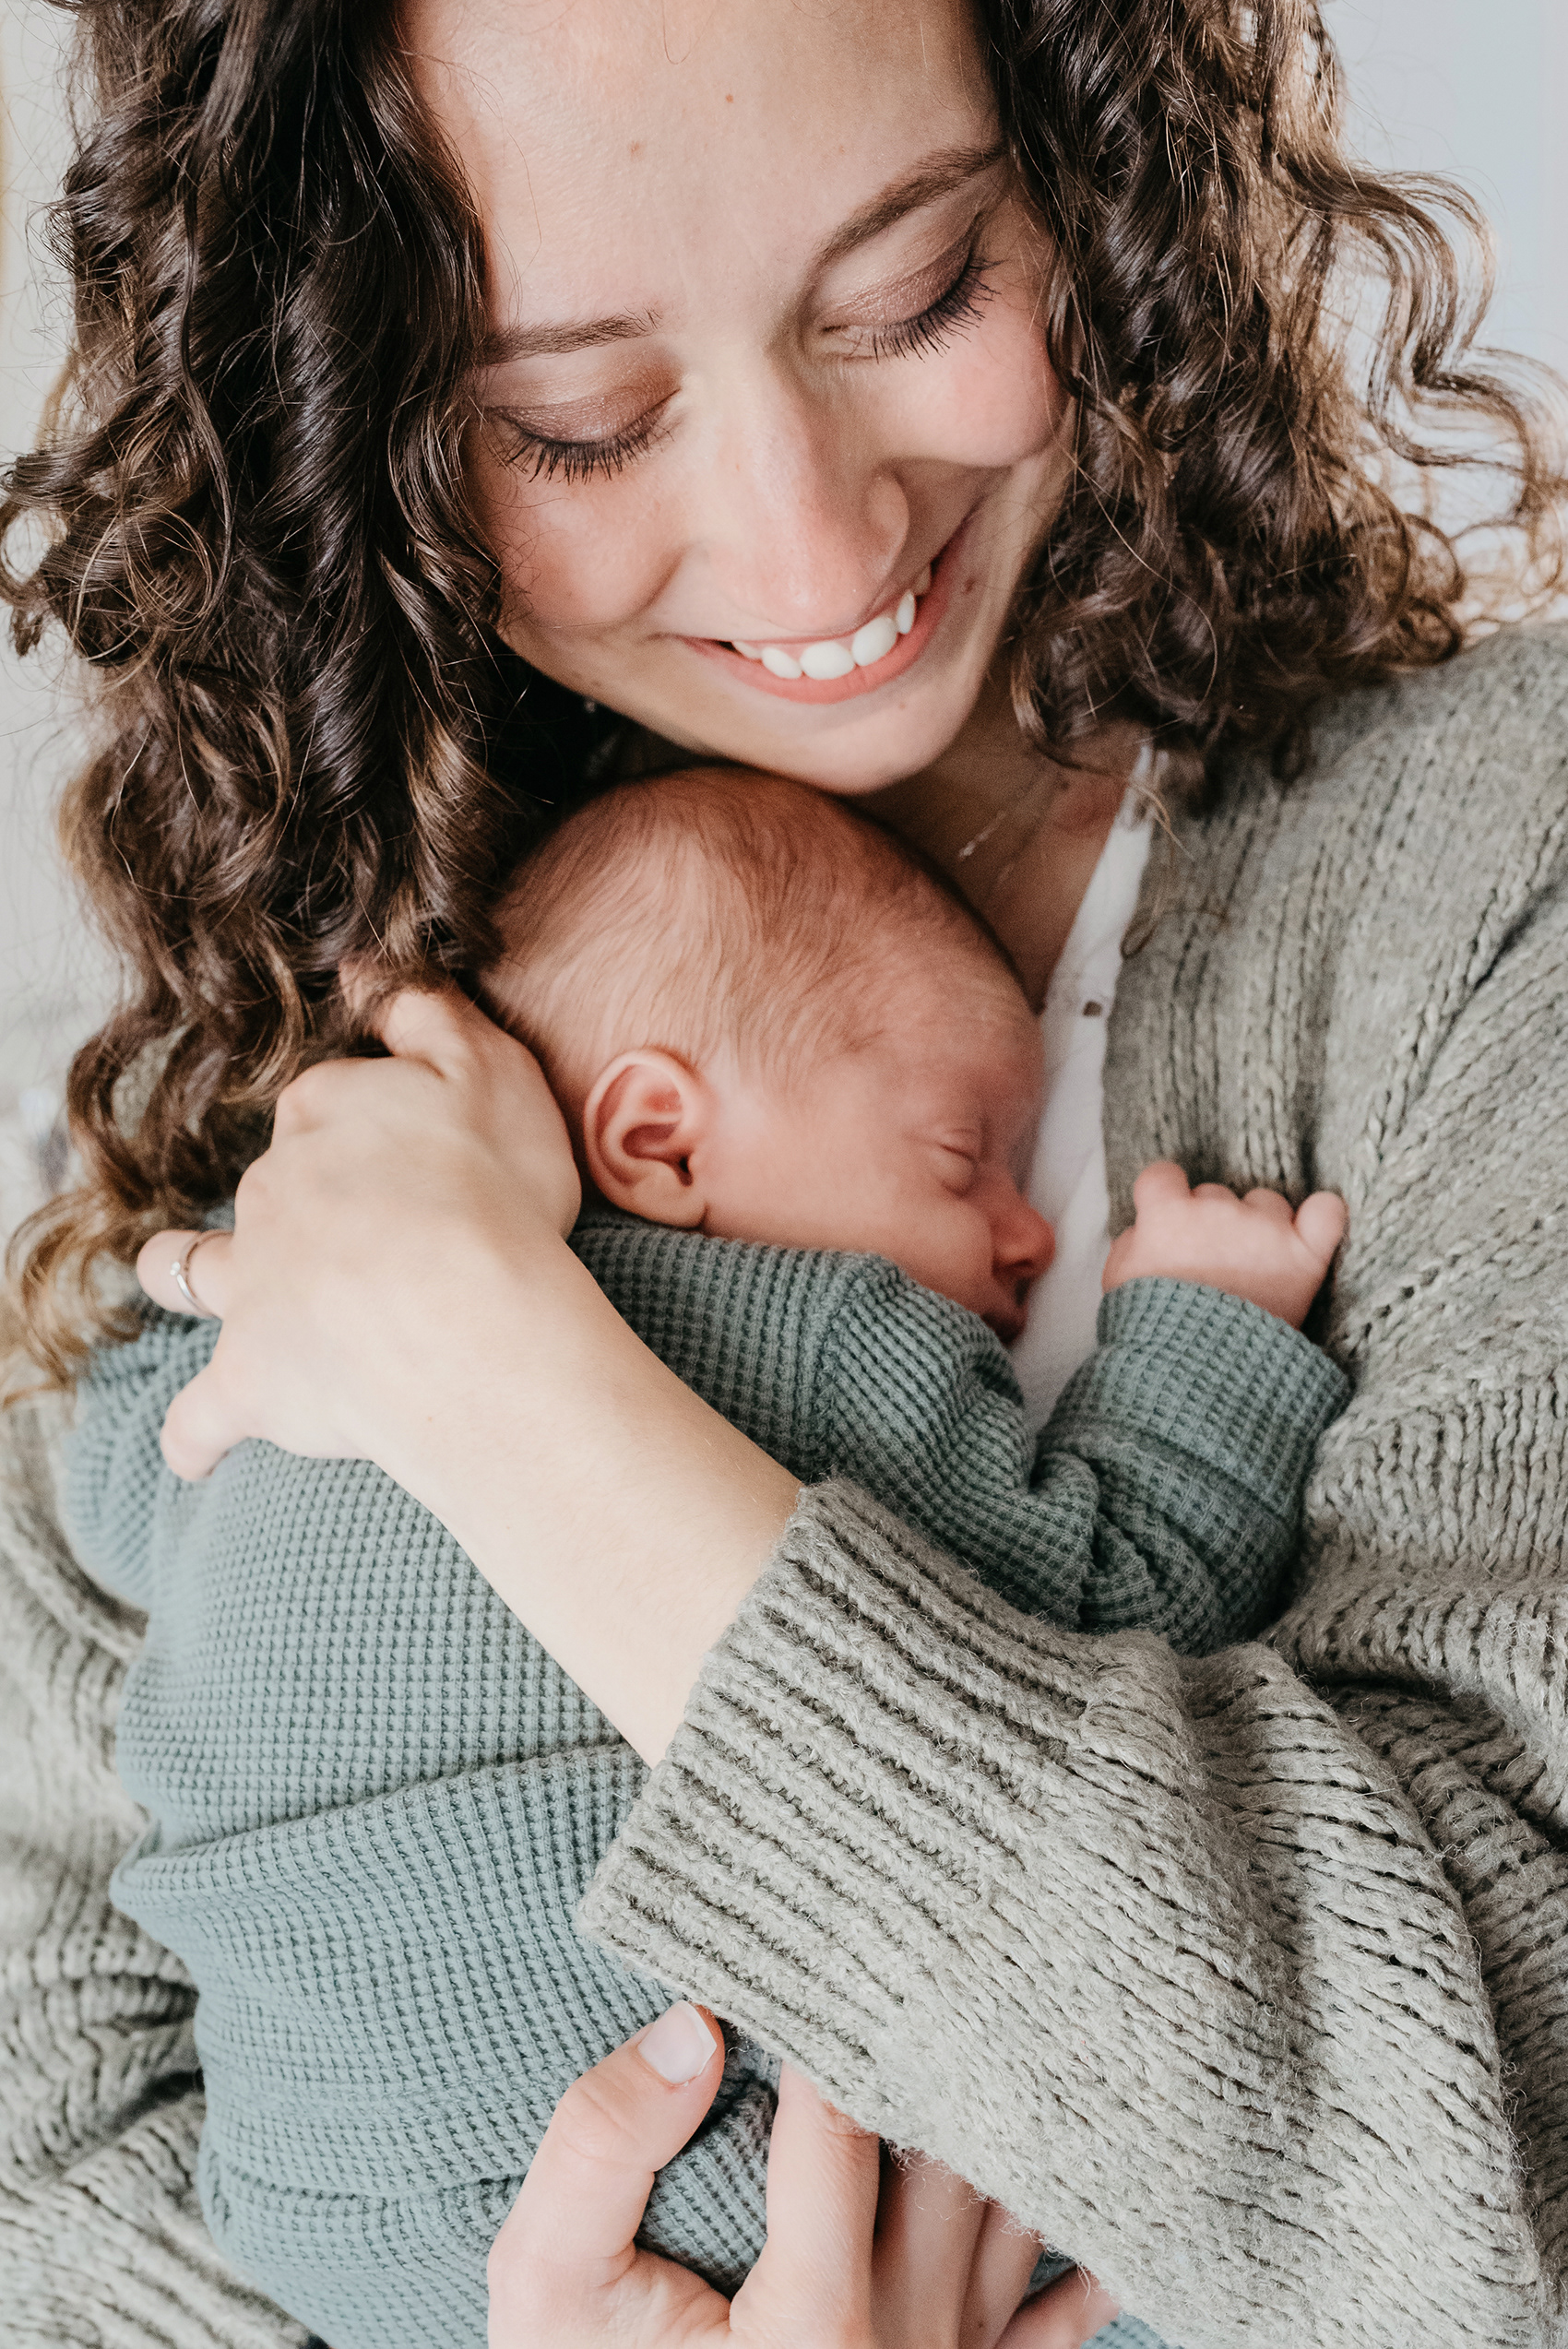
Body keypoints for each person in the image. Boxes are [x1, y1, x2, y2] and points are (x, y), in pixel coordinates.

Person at [2, 1, 1564, 2345]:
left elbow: (1497, 2138)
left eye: (916, 290)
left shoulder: (1503, 873)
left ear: (1089, 172)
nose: (812, 537)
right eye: (577, 419)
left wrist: (498, 1376)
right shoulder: (317, 1005)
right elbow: (42, 2142)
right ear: (360, 418)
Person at [72, 765, 1347, 2348]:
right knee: (1147, 2247)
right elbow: (1114, 1610)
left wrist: (264, 1198)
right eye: (963, 1155)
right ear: (659, 1141)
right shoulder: (825, 1334)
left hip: (308, 2193)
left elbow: (107, 1493)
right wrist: (1212, 1340)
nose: (1025, 1235)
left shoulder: (264, 1344)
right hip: (719, 2168)